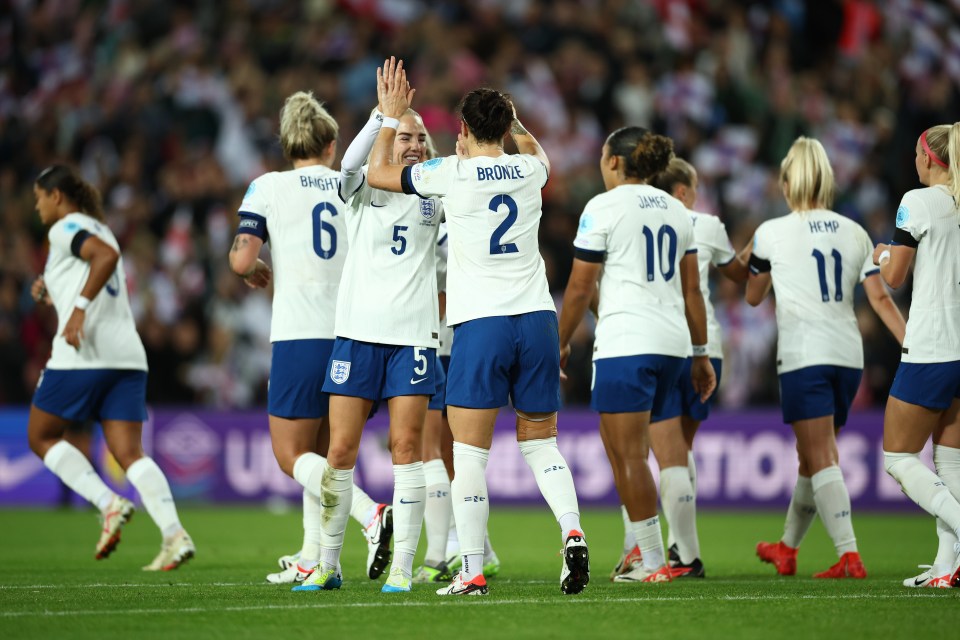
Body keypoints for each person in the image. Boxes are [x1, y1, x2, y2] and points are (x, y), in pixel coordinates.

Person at [367, 61, 588, 597]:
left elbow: (376, 174)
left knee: (468, 454)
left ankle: (471, 567)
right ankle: (573, 532)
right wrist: (513, 124)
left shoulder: (451, 173)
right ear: (507, 124)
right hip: (537, 318)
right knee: (540, 442)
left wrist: (391, 119)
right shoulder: (532, 170)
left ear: (462, 130)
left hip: (481, 325)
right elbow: (535, 150)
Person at [227, 91, 392, 587]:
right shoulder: (351, 182)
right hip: (352, 330)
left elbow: (239, 260)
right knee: (324, 451)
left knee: (289, 454)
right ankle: (318, 558)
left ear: (286, 144)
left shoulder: (267, 187)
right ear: (330, 144)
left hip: (300, 332)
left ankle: (369, 514)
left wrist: (254, 266)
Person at [298, 58, 442, 594]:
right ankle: (328, 563)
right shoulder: (363, 190)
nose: (414, 144)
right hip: (357, 333)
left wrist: (400, 121)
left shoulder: (436, 192)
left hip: (412, 339)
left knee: (407, 449)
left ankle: (402, 565)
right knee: (339, 452)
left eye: (421, 137)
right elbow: (351, 164)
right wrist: (386, 115)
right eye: (406, 135)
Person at [558, 128, 715, 584]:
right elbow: (692, 291)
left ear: (613, 162)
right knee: (627, 452)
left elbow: (580, 288)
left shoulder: (603, 207)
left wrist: (561, 342)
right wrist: (701, 354)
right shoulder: (677, 209)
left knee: (627, 456)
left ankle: (650, 560)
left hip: (627, 342)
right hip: (672, 346)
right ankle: (646, 556)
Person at [747, 136, 906, 579]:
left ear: (785, 182)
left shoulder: (772, 232)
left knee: (820, 455)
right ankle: (787, 548)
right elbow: (879, 299)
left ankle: (849, 554)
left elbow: (753, 297)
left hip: (804, 355)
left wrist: (751, 262)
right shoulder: (854, 231)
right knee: (811, 456)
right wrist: (912, 345)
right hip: (847, 356)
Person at [27, 164, 194, 570]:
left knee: (41, 436)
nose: (36, 207)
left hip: (84, 353)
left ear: (57, 197)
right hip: (128, 355)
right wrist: (55, 291)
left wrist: (76, 310)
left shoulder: (63, 228)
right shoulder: (101, 228)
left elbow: (105, 259)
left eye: (39, 198)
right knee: (129, 452)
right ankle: (174, 534)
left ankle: (107, 503)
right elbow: (98, 265)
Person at [603, 157, 747, 580]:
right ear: (681, 190)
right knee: (677, 453)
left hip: (655, 341)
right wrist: (757, 252)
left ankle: (665, 553)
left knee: (652, 454)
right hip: (703, 344)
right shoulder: (706, 224)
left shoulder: (629, 216)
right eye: (695, 187)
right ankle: (682, 550)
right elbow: (738, 272)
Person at [873, 122, 960, 589]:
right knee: (951, 464)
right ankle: (947, 568)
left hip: (932, 346)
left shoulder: (919, 200)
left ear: (928, 159)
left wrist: (884, 253)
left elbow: (895, 277)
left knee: (899, 457)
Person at [414, 222, 501, 584]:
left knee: (431, 450)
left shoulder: (432, 229)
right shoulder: (462, 224)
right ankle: (479, 546)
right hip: (462, 342)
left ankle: (441, 553)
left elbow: (443, 294)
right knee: (450, 454)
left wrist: (416, 330)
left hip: (435, 343)